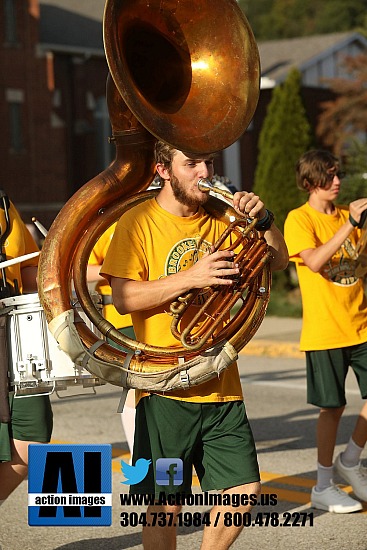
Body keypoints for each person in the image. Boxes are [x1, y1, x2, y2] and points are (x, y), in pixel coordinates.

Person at [101, 140, 288, 549]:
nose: (205, 172)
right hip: (165, 390)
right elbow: (124, 298)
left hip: (221, 382)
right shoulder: (138, 222)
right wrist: (191, 278)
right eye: (192, 164)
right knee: (164, 505)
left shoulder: (222, 217)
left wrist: (264, 219)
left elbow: (277, 260)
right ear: (163, 170)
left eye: (208, 162)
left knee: (242, 492)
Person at [284, 149, 367, 514]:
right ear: (310, 182)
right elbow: (315, 261)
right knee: (332, 408)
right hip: (325, 331)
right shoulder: (298, 219)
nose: (337, 181)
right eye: (328, 176)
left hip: (362, 325)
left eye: (337, 174)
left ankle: (351, 460)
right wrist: (350, 223)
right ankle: (322, 485)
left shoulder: (353, 215)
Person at [0, 199, 53, 505]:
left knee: (32, 435)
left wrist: (59, 268)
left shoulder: (4, 205)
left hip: (15, 333)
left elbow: (27, 270)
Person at [88, 225, 136, 454]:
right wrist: (111, 269)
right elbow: (81, 267)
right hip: (120, 319)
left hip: (158, 313)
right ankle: (138, 449)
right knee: (135, 384)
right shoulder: (110, 225)